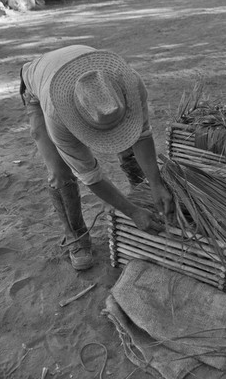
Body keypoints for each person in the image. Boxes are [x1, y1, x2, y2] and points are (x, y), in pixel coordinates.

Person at [20, 45, 173, 271]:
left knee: (129, 138)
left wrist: (156, 183)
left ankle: (141, 193)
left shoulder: (130, 83)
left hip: (71, 68)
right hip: (37, 88)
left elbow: (142, 134)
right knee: (60, 172)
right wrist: (131, 213)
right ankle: (76, 238)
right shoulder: (57, 117)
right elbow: (89, 175)